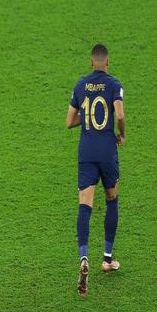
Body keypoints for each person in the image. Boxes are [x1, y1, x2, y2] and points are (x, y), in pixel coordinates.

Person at [66, 43, 126, 297]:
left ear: (91, 62)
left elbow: (69, 121)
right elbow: (119, 115)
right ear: (107, 62)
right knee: (112, 199)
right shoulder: (114, 85)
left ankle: (83, 256)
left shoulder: (81, 85)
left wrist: (87, 118)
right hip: (107, 152)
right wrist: (121, 134)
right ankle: (107, 259)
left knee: (85, 204)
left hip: (87, 153)